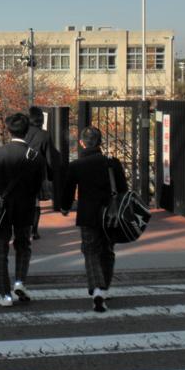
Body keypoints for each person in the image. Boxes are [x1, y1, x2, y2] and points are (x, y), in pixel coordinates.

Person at [61, 126, 128, 313]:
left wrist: (65, 207)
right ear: (100, 143)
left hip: (88, 215)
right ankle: (104, 287)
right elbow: (123, 189)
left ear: (82, 143)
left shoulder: (76, 166)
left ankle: (97, 289)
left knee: (90, 252)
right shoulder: (112, 162)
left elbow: (68, 191)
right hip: (111, 215)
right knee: (107, 251)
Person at [0, 113, 44, 307]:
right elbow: (39, 184)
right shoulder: (34, 155)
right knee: (23, 246)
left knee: (1, 250)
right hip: (26, 207)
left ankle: (3, 294)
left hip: (1, 208)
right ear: (27, 130)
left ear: (8, 130)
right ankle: (20, 282)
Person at [25, 106, 63, 240]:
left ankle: (21, 228)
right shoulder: (44, 135)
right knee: (35, 203)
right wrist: (51, 175)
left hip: (19, 171)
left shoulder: (21, 132)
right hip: (36, 172)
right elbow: (49, 158)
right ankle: (34, 231)